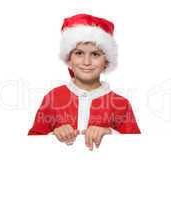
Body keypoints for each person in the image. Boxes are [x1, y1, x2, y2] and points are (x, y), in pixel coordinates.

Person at [28, 13, 141, 150]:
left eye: (95, 54)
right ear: (69, 59)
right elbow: (30, 145)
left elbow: (137, 147)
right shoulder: (53, 98)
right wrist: (54, 135)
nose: (86, 62)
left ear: (106, 61)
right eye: (79, 53)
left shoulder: (120, 104)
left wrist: (109, 133)